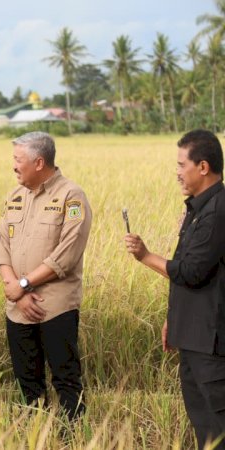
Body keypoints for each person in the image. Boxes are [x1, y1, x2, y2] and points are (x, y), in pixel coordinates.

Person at [125, 129, 225, 450]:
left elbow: (192, 272)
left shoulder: (218, 211)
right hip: (192, 337)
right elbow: (187, 273)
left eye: (182, 165)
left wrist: (145, 256)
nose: (177, 172)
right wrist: (173, 319)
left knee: (219, 427)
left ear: (204, 167)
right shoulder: (198, 208)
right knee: (205, 431)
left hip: (212, 344)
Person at [0, 131, 92, 421]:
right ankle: (35, 431)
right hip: (18, 307)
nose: (13, 166)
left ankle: (71, 435)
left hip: (55, 307)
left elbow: (68, 252)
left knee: (65, 378)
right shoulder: (14, 196)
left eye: (18, 160)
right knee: (26, 379)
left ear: (39, 163)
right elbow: (1, 245)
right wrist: (16, 290)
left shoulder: (71, 196)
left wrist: (24, 284)